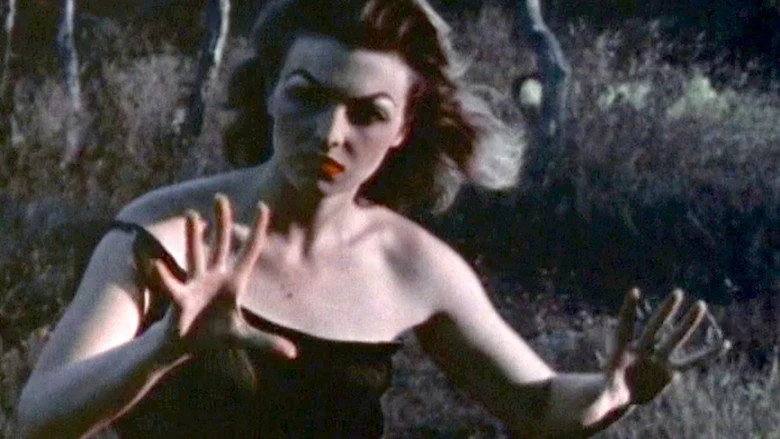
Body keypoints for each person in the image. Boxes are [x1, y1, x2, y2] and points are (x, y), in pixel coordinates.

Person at [16, 0, 726, 437]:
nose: (330, 134)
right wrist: (162, 348)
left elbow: (537, 406)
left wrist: (613, 390)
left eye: (367, 113)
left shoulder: (412, 263)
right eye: (307, 95)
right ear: (269, 92)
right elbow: (39, 417)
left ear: (405, 128)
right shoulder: (166, 236)